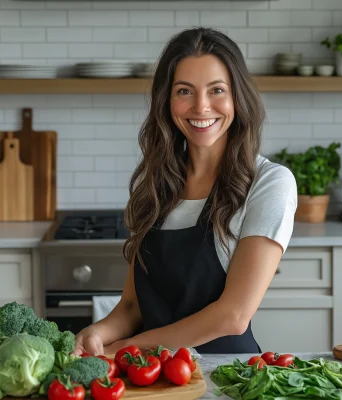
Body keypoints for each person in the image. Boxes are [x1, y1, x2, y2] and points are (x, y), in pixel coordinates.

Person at [72, 27, 297, 356]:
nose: (201, 107)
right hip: (152, 377)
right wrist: (95, 334)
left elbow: (232, 316)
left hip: (224, 375)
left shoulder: (268, 183)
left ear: (238, 96)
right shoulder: (158, 184)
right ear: (168, 101)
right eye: (184, 91)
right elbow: (133, 308)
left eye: (217, 90)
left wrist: (125, 348)